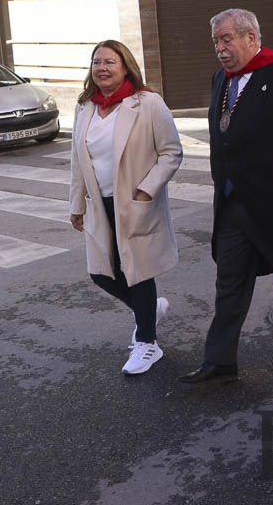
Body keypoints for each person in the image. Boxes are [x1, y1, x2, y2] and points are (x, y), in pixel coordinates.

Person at [180, 9, 273, 385]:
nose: (220, 49)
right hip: (231, 204)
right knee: (229, 282)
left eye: (227, 39)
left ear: (252, 38)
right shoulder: (220, 80)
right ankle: (220, 361)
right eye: (216, 42)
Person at [69, 40, 183, 376]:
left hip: (133, 201)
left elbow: (171, 152)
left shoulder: (147, 103)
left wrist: (147, 191)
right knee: (101, 272)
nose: (102, 68)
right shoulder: (85, 106)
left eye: (110, 62)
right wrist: (76, 203)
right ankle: (147, 311)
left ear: (125, 66)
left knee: (137, 270)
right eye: (96, 62)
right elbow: (77, 160)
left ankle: (147, 343)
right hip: (99, 204)